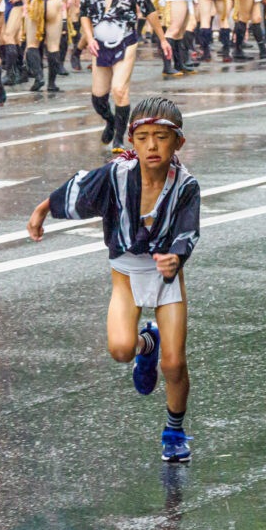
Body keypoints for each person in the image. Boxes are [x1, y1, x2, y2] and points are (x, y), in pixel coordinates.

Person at [27, 96, 200, 463]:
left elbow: (189, 232)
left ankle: (174, 430)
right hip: (125, 269)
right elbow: (76, 191)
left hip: (167, 276)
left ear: (178, 142)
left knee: (174, 364)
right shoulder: (116, 176)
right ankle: (145, 345)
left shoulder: (186, 186)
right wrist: (42, 210)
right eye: (144, 137)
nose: (153, 146)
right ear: (132, 142)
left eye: (162, 137)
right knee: (121, 350)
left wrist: (176, 258)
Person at [80, 0, 171, 152]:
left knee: (119, 89)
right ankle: (111, 121)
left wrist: (162, 38)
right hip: (100, 42)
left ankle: (119, 138)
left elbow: (149, 10)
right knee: (98, 97)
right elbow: (84, 13)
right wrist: (89, 38)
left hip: (126, 39)